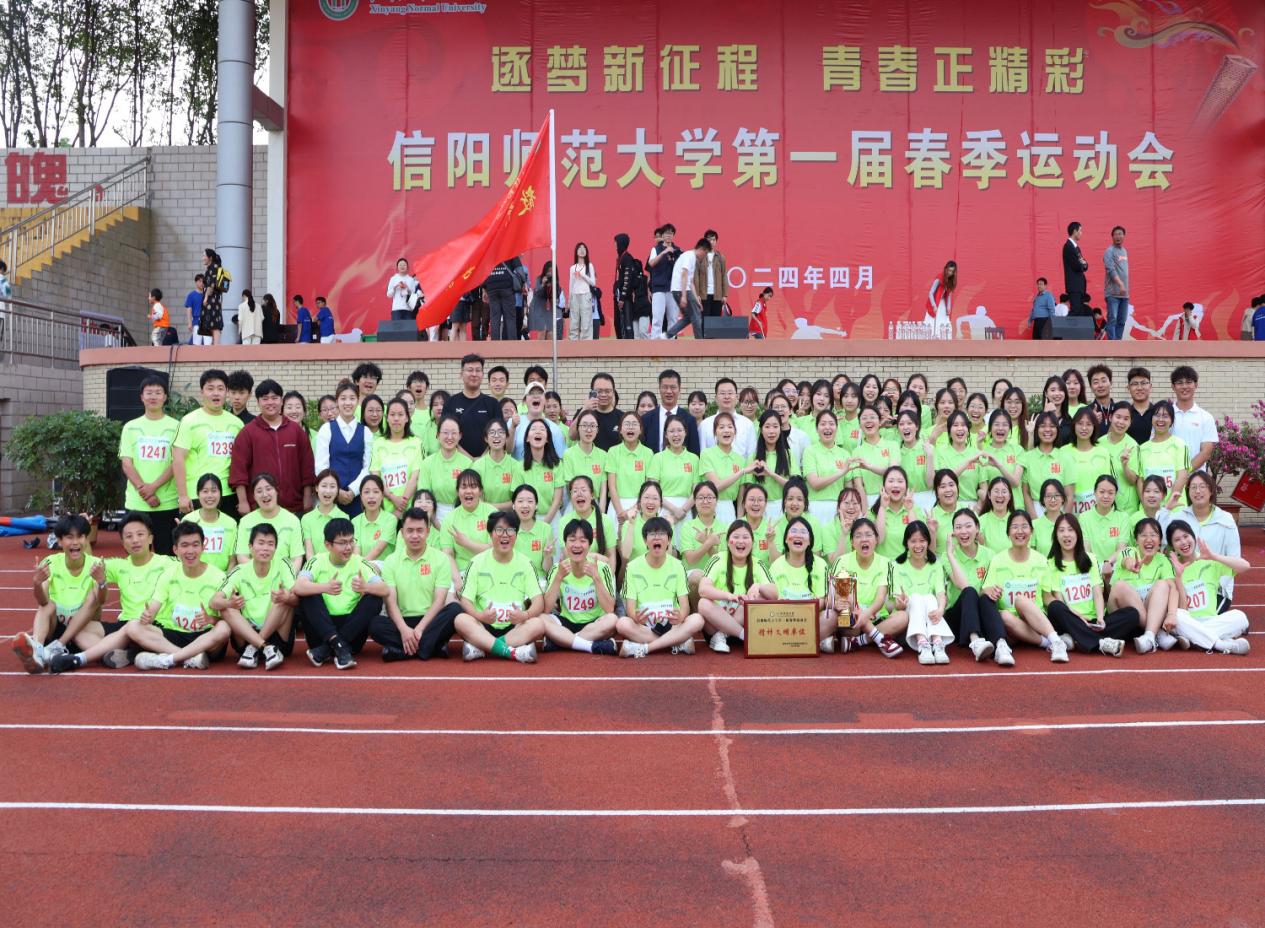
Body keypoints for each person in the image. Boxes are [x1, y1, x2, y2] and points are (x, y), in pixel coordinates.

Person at [53, 522, 231, 674]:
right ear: (175, 549)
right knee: (130, 626)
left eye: (195, 545)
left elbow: (228, 615)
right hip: (168, 633)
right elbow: (153, 607)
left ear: (203, 547)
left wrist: (211, 619)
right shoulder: (166, 574)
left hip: (201, 635)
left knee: (224, 628)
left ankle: (166, 658)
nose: (190, 551)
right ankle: (185, 657)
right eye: (184, 546)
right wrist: (148, 615)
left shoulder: (215, 575)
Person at [365, 507, 463, 661]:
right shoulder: (391, 561)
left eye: (420, 530)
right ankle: (430, 647)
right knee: (375, 624)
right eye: (410, 531)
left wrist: (419, 629)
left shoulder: (441, 559)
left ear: (428, 532)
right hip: (402, 620)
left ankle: (401, 651)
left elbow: (439, 601)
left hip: (430, 620)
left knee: (455, 609)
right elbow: (390, 602)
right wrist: (404, 630)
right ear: (402, 533)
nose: (415, 535)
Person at [11, 515, 104, 674]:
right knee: (48, 605)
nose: (75, 542)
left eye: (80, 536)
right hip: (55, 629)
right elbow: (42, 601)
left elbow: (101, 600)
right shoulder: (50, 562)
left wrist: (102, 582)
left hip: (83, 630)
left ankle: (57, 647)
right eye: (69, 537)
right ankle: (38, 649)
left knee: (93, 596)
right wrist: (37, 583)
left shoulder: (96, 564)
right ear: (60, 541)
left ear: (86, 539)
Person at [294, 517, 389, 670]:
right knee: (308, 594)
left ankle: (330, 648)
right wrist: (325, 587)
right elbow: (298, 587)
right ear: (328, 544)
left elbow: (385, 589)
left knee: (374, 597)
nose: (348, 547)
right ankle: (338, 645)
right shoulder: (316, 560)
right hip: (321, 632)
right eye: (342, 543)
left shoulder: (360, 561)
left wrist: (365, 587)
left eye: (351, 541)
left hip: (352, 633)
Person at [453, 510, 545, 662]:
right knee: (461, 620)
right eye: (499, 530)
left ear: (516, 534)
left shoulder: (526, 563)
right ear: (490, 534)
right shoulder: (476, 562)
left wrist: (525, 615)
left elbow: (538, 601)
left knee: (538, 624)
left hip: (515, 627)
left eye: (510, 530)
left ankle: (483, 647)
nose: (505, 535)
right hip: (483, 624)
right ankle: (512, 652)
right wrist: (479, 616)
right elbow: (465, 600)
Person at [1041, 514, 1135, 657]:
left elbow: (1097, 592)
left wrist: (1100, 618)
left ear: (1078, 534)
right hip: (1071, 619)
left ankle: (1077, 638)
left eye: (1070, 530)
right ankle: (1101, 643)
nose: (1066, 534)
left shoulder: (1090, 558)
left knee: (1132, 614)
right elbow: (1060, 600)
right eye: (1061, 530)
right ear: (1056, 536)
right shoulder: (1051, 564)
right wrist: (1079, 617)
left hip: (1093, 621)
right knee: (1055, 607)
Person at [982, 510, 1069, 662]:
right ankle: (1046, 643)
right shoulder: (997, 560)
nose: (1020, 531)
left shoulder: (1041, 560)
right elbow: (986, 589)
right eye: (1015, 527)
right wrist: (991, 591)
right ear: (1008, 532)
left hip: (1037, 621)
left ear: (1031, 531)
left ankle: (1056, 642)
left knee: (1021, 600)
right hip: (1010, 625)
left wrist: (1067, 610)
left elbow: (1047, 596)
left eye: (1024, 526)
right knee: (1004, 615)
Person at [212, 522, 297, 670]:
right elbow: (213, 602)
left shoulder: (283, 564)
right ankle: (264, 646)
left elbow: (298, 599)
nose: (265, 548)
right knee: (226, 608)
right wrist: (230, 603)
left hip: (277, 635)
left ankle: (254, 647)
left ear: (275, 548)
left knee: (285, 600)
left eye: (270, 544)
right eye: (261, 543)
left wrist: (287, 598)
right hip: (246, 635)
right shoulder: (239, 570)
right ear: (250, 547)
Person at [616, 516, 705, 658]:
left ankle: (645, 647)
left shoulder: (678, 565)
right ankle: (677, 643)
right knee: (622, 623)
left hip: (672, 625)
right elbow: (631, 608)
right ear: (645, 540)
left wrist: (681, 616)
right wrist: (635, 617)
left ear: (669, 540)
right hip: (645, 626)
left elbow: (685, 606)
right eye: (652, 534)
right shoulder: (632, 567)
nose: (657, 538)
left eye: (662, 534)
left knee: (697, 620)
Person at [229, 379, 315, 516]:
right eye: (265, 399)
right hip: (259, 508)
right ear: (258, 402)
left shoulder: (296, 431)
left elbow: (307, 467)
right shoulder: (248, 432)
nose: (270, 402)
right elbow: (238, 470)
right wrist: (243, 501)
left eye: (274, 398)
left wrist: (307, 497)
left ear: (281, 401)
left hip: (294, 507)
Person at [117, 375, 180, 556]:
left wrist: (153, 488)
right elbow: (127, 463)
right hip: (137, 502)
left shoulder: (176, 426)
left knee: (166, 555)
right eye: (149, 393)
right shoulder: (130, 427)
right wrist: (145, 491)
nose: (153, 397)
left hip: (166, 502)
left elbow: (176, 463)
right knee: (137, 554)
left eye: (158, 393)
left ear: (165, 397)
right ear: (142, 397)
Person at [1167, 521, 1251, 655]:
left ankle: (1194, 639)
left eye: (1186, 536)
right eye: (1177, 540)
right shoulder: (1171, 568)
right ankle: (1221, 644)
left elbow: (1245, 566)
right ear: (1172, 546)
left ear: (1193, 537)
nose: (1183, 542)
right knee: (1178, 615)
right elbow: (1182, 608)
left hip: (1210, 620)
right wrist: (1178, 577)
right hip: (1187, 621)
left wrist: (1214, 556)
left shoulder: (1209, 561)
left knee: (1240, 617)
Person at [943, 508, 1013, 665]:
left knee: (987, 599)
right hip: (957, 617)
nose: (963, 531)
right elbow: (963, 585)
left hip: (981, 615)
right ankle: (975, 642)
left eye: (968, 526)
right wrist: (950, 555)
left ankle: (1001, 645)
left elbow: (992, 589)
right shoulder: (947, 556)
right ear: (953, 532)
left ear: (977, 528)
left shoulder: (990, 555)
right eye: (958, 527)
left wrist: (989, 592)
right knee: (970, 592)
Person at [826, 519, 903, 656]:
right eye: (858, 535)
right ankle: (879, 639)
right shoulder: (842, 561)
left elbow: (880, 598)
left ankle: (858, 641)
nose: (864, 539)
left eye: (868, 535)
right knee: (847, 601)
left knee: (903, 617)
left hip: (876, 617)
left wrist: (866, 614)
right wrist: (856, 610)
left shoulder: (886, 563)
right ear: (852, 542)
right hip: (851, 619)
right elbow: (839, 594)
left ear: (876, 539)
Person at [542, 519, 619, 655]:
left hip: (594, 623)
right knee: (541, 618)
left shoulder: (602, 568)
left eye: (583, 541)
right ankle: (589, 645)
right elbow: (547, 609)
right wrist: (559, 577)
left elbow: (609, 608)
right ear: (565, 543)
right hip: (566, 622)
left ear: (590, 545)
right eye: (572, 540)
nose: (577, 545)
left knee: (612, 620)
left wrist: (596, 577)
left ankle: (563, 641)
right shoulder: (558, 568)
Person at [173, 369, 243, 518]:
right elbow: (178, 459)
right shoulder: (189, 421)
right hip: (197, 494)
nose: (216, 393)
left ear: (226, 392)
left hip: (228, 494)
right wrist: (183, 495)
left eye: (220, 389)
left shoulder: (237, 423)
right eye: (210, 389)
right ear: (202, 392)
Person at [696, 520, 773, 652]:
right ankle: (745, 637)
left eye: (745, 537)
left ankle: (723, 635)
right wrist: (729, 596)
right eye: (736, 537)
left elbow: (774, 593)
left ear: (752, 542)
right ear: (727, 542)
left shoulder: (758, 563)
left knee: (761, 598)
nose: (741, 541)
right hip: (715, 626)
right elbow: (703, 589)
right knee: (703, 603)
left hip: (739, 623)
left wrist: (759, 586)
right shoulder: (717, 559)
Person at [1109, 518, 1180, 654]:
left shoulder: (1163, 560)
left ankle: (1149, 637)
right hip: (1123, 615)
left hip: (1146, 613)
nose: (1149, 539)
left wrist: (1171, 614)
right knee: (1120, 586)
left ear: (1160, 540)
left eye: (1153, 535)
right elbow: (1126, 560)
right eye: (1143, 535)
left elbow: (1172, 588)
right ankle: (1157, 632)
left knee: (1163, 584)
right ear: (1136, 540)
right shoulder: (1128, 551)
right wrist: (1132, 565)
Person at [1174, 471, 1242, 611]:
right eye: (1193, 487)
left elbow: (1235, 558)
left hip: (1216, 588)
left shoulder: (1225, 519)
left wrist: (1217, 584)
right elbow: (1164, 541)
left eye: (1202, 486)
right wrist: (1165, 510)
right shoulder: (1180, 517)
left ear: (1211, 490)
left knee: (1202, 619)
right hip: (1184, 585)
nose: (1197, 491)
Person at [886, 521, 952, 664]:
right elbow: (896, 603)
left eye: (922, 541)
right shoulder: (896, 566)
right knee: (916, 598)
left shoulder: (936, 565)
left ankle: (937, 644)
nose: (918, 545)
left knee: (929, 597)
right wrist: (901, 604)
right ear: (906, 543)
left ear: (928, 542)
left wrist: (941, 609)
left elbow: (940, 593)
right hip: (907, 627)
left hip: (931, 620)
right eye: (913, 541)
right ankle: (923, 645)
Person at [314, 380, 374, 517]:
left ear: (358, 401)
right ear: (337, 402)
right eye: (343, 398)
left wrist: (353, 491)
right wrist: (337, 491)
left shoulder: (366, 432)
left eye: (352, 398)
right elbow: (321, 466)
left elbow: (368, 467)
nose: (348, 403)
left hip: (358, 496)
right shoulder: (326, 429)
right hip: (331, 496)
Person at [234, 472, 305, 574]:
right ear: (254, 496)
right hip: (254, 576)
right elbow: (242, 556)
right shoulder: (245, 521)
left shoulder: (292, 520)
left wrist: (286, 577)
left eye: (268, 489)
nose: (265, 494)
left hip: (283, 578)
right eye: (259, 491)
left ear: (276, 491)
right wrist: (261, 574)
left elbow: (296, 558)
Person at [440, 354, 502, 457]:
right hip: (457, 461)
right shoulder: (450, 403)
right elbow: (445, 435)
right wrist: (468, 458)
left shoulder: (493, 404)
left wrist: (482, 459)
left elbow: (499, 434)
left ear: (482, 374)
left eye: (478, 370)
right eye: (470, 370)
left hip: (487, 461)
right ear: (461, 374)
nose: (474, 374)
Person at [640, 369, 702, 454]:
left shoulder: (689, 420)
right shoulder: (646, 419)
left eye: (673, 387)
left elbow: (694, 452)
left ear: (679, 389)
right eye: (665, 387)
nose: (669, 391)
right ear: (659, 389)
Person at [1170, 366, 1217, 475]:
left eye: (1189, 382)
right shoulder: (1164, 416)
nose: (1184, 386)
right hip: (1169, 477)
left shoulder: (1206, 417)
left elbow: (1206, 452)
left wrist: (1184, 473)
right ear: (1173, 387)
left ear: (1196, 385)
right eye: (1180, 383)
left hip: (1196, 479)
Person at [665, 238, 710, 339]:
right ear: (702, 249)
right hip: (681, 290)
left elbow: (691, 282)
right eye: (705, 253)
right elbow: (684, 274)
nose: (705, 256)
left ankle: (668, 335)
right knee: (696, 314)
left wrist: (696, 298)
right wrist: (684, 296)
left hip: (678, 290)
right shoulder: (689, 256)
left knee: (689, 316)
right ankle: (700, 342)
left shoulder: (691, 258)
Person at [699, 377, 756, 458]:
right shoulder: (705, 425)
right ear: (716, 398)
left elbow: (752, 455)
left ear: (736, 398)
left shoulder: (747, 424)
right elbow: (702, 454)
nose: (726, 396)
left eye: (730, 393)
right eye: (722, 393)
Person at [302, 469, 347, 559]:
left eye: (332, 486)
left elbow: (343, 552)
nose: (328, 491)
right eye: (324, 486)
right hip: (314, 566)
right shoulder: (306, 519)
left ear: (337, 490)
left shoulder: (344, 518)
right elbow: (309, 552)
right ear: (317, 488)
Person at [647, 224, 682, 338]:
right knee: (657, 319)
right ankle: (655, 343)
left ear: (673, 235)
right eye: (666, 233)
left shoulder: (678, 251)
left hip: (673, 289)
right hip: (659, 289)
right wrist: (664, 252)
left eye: (671, 233)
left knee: (673, 319)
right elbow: (651, 263)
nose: (669, 235)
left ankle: (671, 343)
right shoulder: (656, 249)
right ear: (662, 236)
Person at [483, 257, 524, 341]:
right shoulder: (510, 251)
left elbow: (482, 271)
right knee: (510, 318)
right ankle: (512, 344)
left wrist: (484, 288)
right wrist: (522, 282)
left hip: (492, 286)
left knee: (494, 318)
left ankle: (495, 345)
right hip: (506, 286)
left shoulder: (489, 252)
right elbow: (520, 271)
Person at [696, 229, 728, 329]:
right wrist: (697, 294)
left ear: (716, 241)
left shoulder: (721, 257)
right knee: (704, 321)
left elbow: (724, 276)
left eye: (713, 239)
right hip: (703, 295)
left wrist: (725, 295)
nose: (711, 242)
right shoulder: (700, 256)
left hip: (717, 295)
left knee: (715, 323)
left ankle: (713, 340)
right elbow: (696, 276)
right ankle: (703, 339)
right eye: (709, 239)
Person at [1103, 225, 1129, 340]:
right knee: (1112, 319)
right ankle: (1112, 345)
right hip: (1112, 293)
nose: (1118, 236)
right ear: (1112, 237)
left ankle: (1117, 344)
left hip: (1124, 294)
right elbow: (1111, 270)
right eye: (1116, 234)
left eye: (1120, 234)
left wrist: (1124, 287)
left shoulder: (1124, 251)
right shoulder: (1109, 251)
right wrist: (1120, 284)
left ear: (1124, 236)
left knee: (1122, 321)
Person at [566, 243, 597, 340]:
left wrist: (583, 275)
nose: (582, 250)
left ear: (586, 252)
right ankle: (573, 342)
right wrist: (569, 300)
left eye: (584, 248)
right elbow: (571, 284)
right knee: (574, 322)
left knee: (586, 322)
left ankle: (586, 344)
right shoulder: (572, 268)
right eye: (580, 248)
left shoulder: (589, 265)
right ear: (576, 251)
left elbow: (593, 282)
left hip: (586, 295)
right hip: (575, 295)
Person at [1062, 222, 1089, 317]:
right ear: (1074, 231)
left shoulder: (1076, 248)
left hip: (1079, 286)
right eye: (1080, 230)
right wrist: (1083, 264)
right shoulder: (1068, 247)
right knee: (1075, 311)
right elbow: (1078, 266)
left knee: (1079, 312)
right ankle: (1064, 326)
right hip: (1074, 285)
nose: (1081, 233)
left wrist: (1083, 264)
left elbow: (1085, 264)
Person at [199, 249, 224, 343]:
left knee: (214, 323)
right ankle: (215, 344)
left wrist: (205, 298)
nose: (203, 258)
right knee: (212, 322)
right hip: (213, 299)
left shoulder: (214, 267)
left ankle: (216, 345)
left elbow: (211, 285)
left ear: (210, 258)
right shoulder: (211, 268)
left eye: (204, 256)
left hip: (212, 299)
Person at [926, 260, 956, 333]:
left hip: (942, 305)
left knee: (943, 325)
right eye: (949, 270)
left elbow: (949, 295)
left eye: (952, 271)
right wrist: (934, 306)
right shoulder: (939, 278)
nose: (950, 273)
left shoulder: (950, 281)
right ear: (946, 269)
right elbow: (931, 293)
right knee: (933, 325)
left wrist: (948, 307)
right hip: (935, 303)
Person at [184, 274, 210, 346]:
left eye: (203, 281)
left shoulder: (207, 295)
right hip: (196, 322)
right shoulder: (191, 295)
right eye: (200, 281)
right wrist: (189, 323)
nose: (202, 283)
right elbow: (189, 309)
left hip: (207, 322)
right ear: (196, 282)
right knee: (196, 344)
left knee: (208, 344)